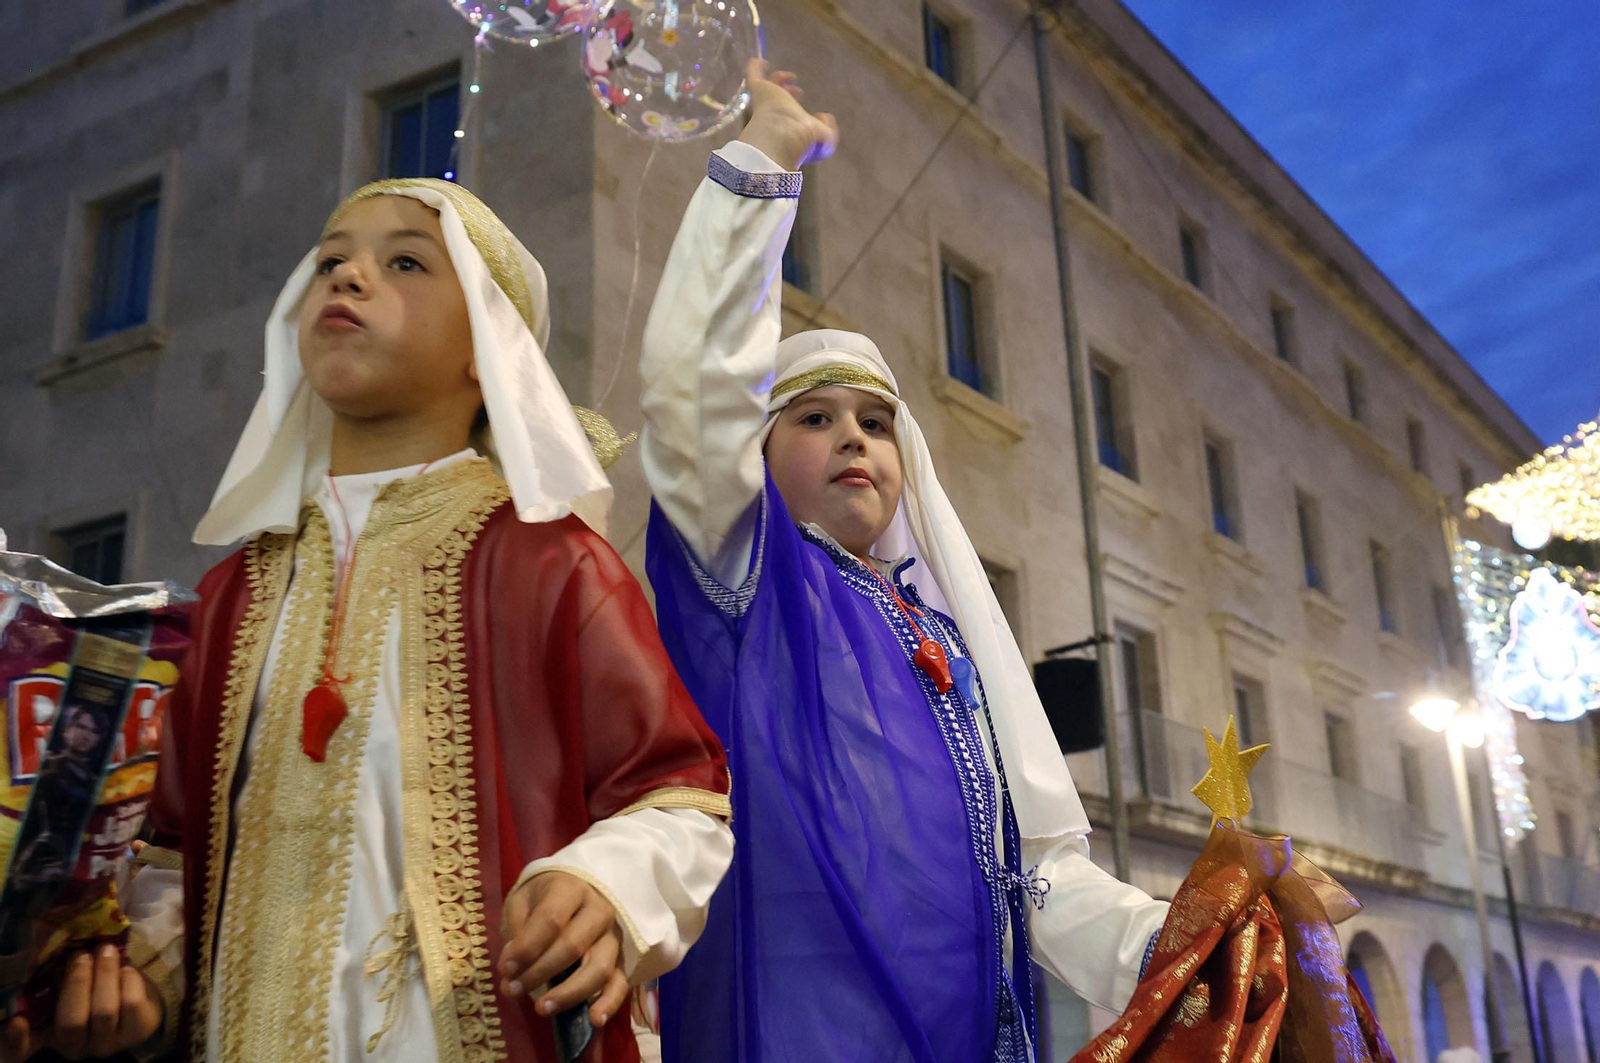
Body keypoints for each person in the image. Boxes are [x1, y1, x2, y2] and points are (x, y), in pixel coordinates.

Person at [3, 176, 733, 1063]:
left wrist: (605, 885)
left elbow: (679, 796)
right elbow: (168, 854)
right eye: (330, 262)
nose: (349, 278)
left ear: (486, 349)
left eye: (405, 262)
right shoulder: (234, 590)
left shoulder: (549, 562)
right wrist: (139, 978)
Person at [639, 62, 1172, 1063]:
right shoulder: (752, 590)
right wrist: (766, 158)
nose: (853, 437)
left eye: (876, 422)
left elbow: (1038, 874)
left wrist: (1177, 937)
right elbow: (693, 393)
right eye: (814, 417)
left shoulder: (946, 641)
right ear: (752, 454)